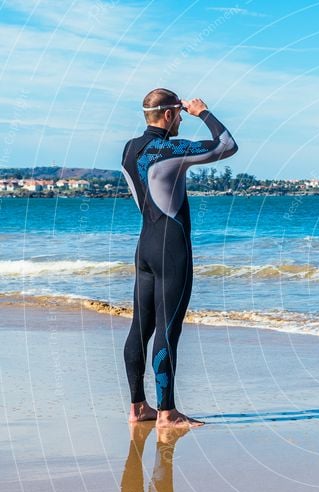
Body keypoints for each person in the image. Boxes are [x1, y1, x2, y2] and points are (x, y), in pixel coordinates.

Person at [121, 88, 238, 427]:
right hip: (171, 247)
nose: (183, 120)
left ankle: (138, 408)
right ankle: (167, 413)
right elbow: (226, 145)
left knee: (139, 328)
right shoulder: (170, 148)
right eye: (180, 115)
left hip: (144, 246)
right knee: (167, 330)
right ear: (170, 115)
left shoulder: (130, 149)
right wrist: (204, 112)